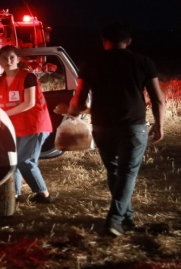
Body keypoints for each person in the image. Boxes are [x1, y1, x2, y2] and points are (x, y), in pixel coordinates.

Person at [68, 22, 165, 237]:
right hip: (133, 126)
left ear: (104, 41)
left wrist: (72, 113)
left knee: (114, 171)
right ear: (128, 41)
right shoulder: (143, 62)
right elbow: (157, 98)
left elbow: (79, 96)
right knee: (127, 173)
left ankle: (127, 215)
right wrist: (159, 125)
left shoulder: (91, 62)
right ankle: (114, 220)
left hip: (102, 127)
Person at [0, 45, 54, 204]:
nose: (8, 61)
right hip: (15, 126)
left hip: (34, 125)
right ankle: (15, 194)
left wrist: (3, 115)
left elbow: (29, 103)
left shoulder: (28, 76)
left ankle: (44, 194)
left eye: (12, 57)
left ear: (18, 59)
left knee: (25, 161)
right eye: (4, 58)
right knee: (14, 160)